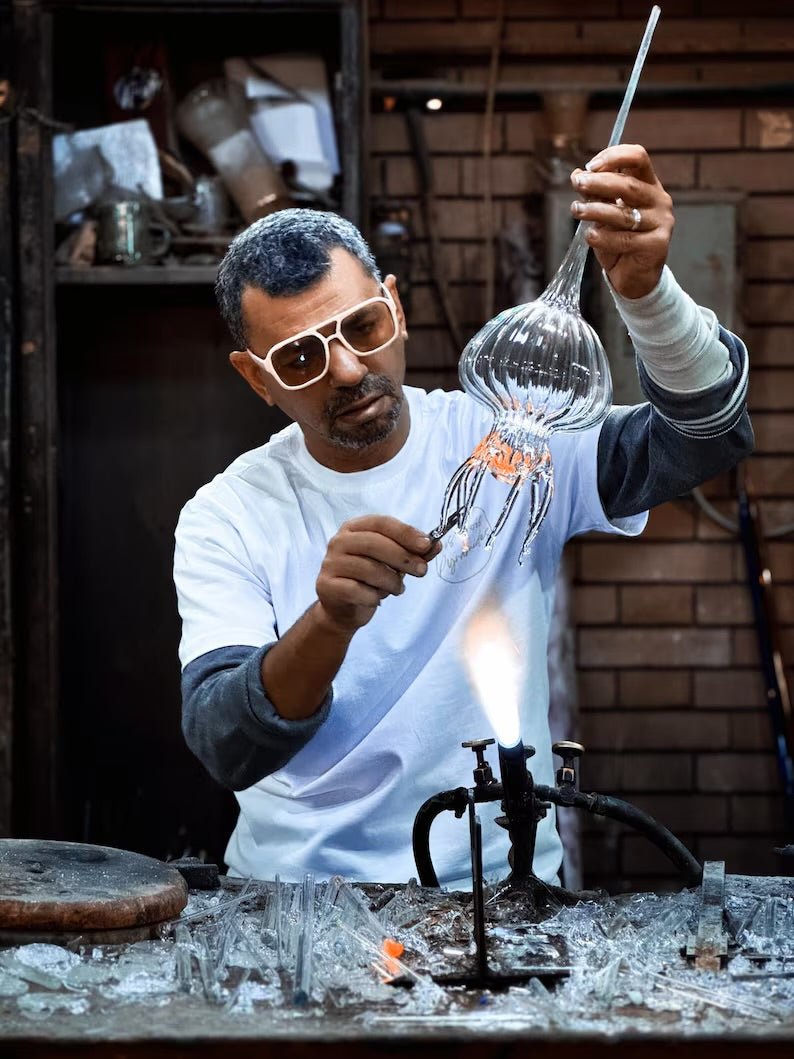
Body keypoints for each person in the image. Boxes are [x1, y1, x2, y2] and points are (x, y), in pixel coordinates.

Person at [174, 145, 752, 887]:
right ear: (256, 378)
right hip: (300, 900)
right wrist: (328, 621)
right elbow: (228, 742)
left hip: (502, 887)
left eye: (362, 326)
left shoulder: (516, 433)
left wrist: (647, 295)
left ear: (396, 306)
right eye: (300, 358)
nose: (348, 370)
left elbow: (708, 439)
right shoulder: (229, 514)